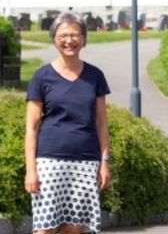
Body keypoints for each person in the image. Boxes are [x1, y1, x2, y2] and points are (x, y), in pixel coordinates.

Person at [25, 12, 111, 234]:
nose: (69, 40)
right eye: (63, 35)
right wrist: (31, 170)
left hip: (85, 161)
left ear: (83, 39)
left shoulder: (95, 76)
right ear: (54, 39)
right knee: (44, 228)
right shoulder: (41, 76)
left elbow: (101, 123)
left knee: (73, 228)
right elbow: (31, 127)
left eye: (75, 35)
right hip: (49, 161)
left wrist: (104, 162)